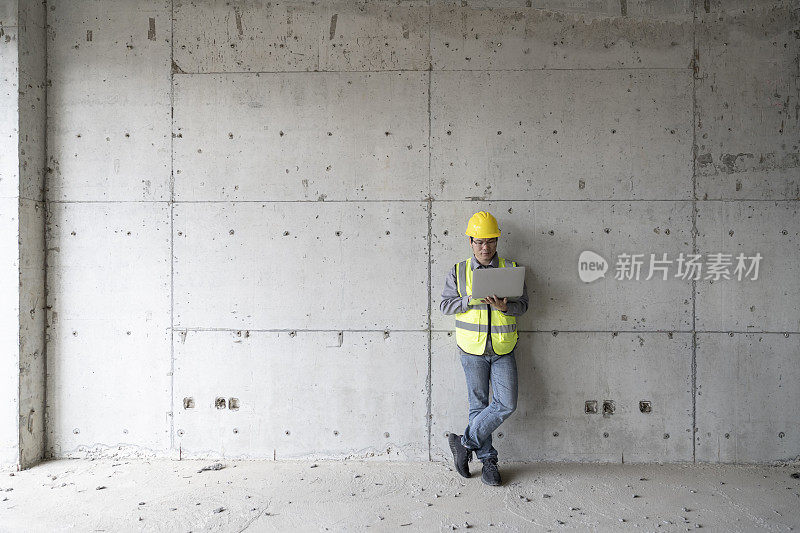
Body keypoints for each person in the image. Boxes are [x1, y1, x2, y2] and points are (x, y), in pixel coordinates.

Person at [440, 211, 529, 486]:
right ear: (470, 241)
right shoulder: (458, 271)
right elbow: (445, 305)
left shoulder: (511, 268)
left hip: (503, 348)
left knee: (506, 403)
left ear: (497, 240)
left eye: (490, 241)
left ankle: (464, 443)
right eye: (479, 242)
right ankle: (489, 461)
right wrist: (469, 300)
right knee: (477, 406)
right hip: (471, 350)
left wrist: (505, 307)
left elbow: (523, 306)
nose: (485, 247)